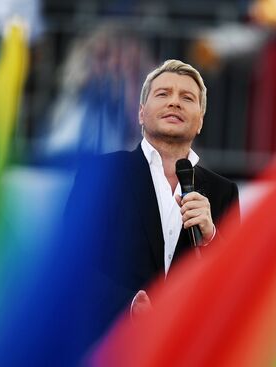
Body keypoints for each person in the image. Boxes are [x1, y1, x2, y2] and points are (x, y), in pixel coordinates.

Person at [63, 59, 239, 362]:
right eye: (163, 94)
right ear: (141, 113)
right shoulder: (101, 174)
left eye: (187, 98)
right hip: (111, 347)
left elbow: (236, 287)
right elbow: (71, 264)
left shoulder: (222, 192)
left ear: (200, 120)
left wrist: (212, 238)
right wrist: (129, 305)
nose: (174, 101)